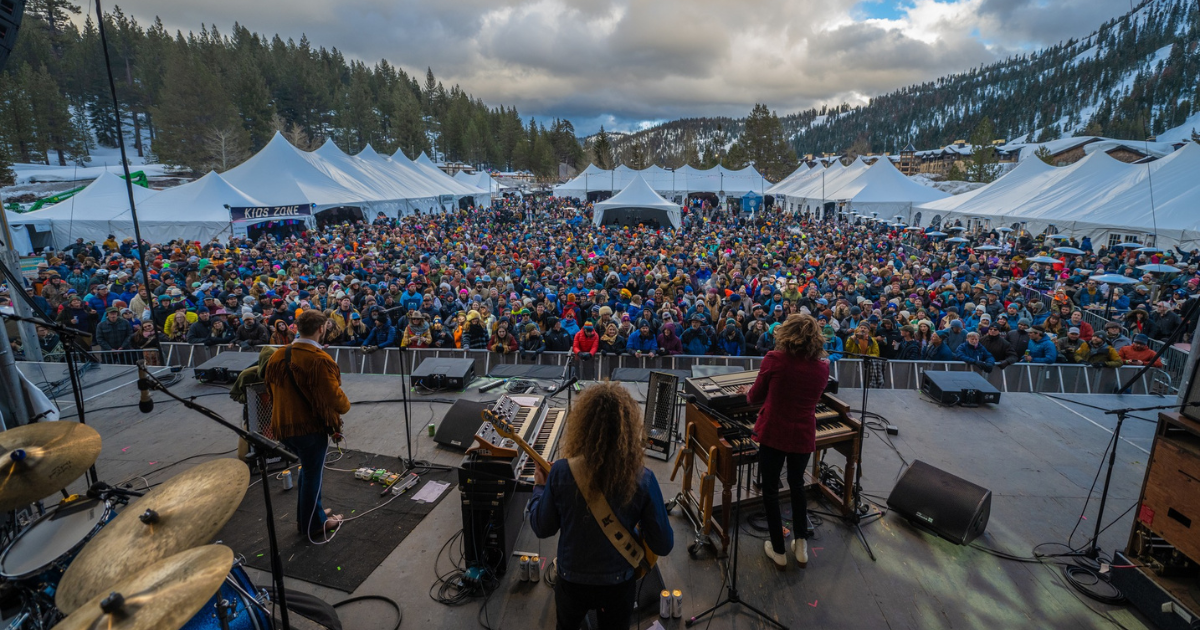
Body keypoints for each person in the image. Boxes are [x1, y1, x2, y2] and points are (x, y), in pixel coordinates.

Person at [529, 382, 673, 630]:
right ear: (628, 431)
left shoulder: (562, 472)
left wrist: (540, 488)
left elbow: (542, 528)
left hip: (571, 581)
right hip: (619, 584)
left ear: (583, 427)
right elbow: (663, 544)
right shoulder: (643, 479)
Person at [746, 314, 828, 568]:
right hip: (803, 434)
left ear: (785, 334)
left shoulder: (775, 359)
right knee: (797, 484)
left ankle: (778, 550)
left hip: (773, 432)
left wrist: (748, 392)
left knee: (770, 489)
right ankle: (801, 545)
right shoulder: (823, 367)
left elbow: (754, 397)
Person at [262, 309, 350, 538]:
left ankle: (312, 514)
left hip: (282, 426)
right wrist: (345, 406)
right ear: (321, 329)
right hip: (308, 428)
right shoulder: (318, 359)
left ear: (297, 328)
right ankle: (315, 524)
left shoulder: (278, 354)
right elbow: (335, 398)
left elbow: (269, 387)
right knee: (312, 474)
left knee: (307, 470)